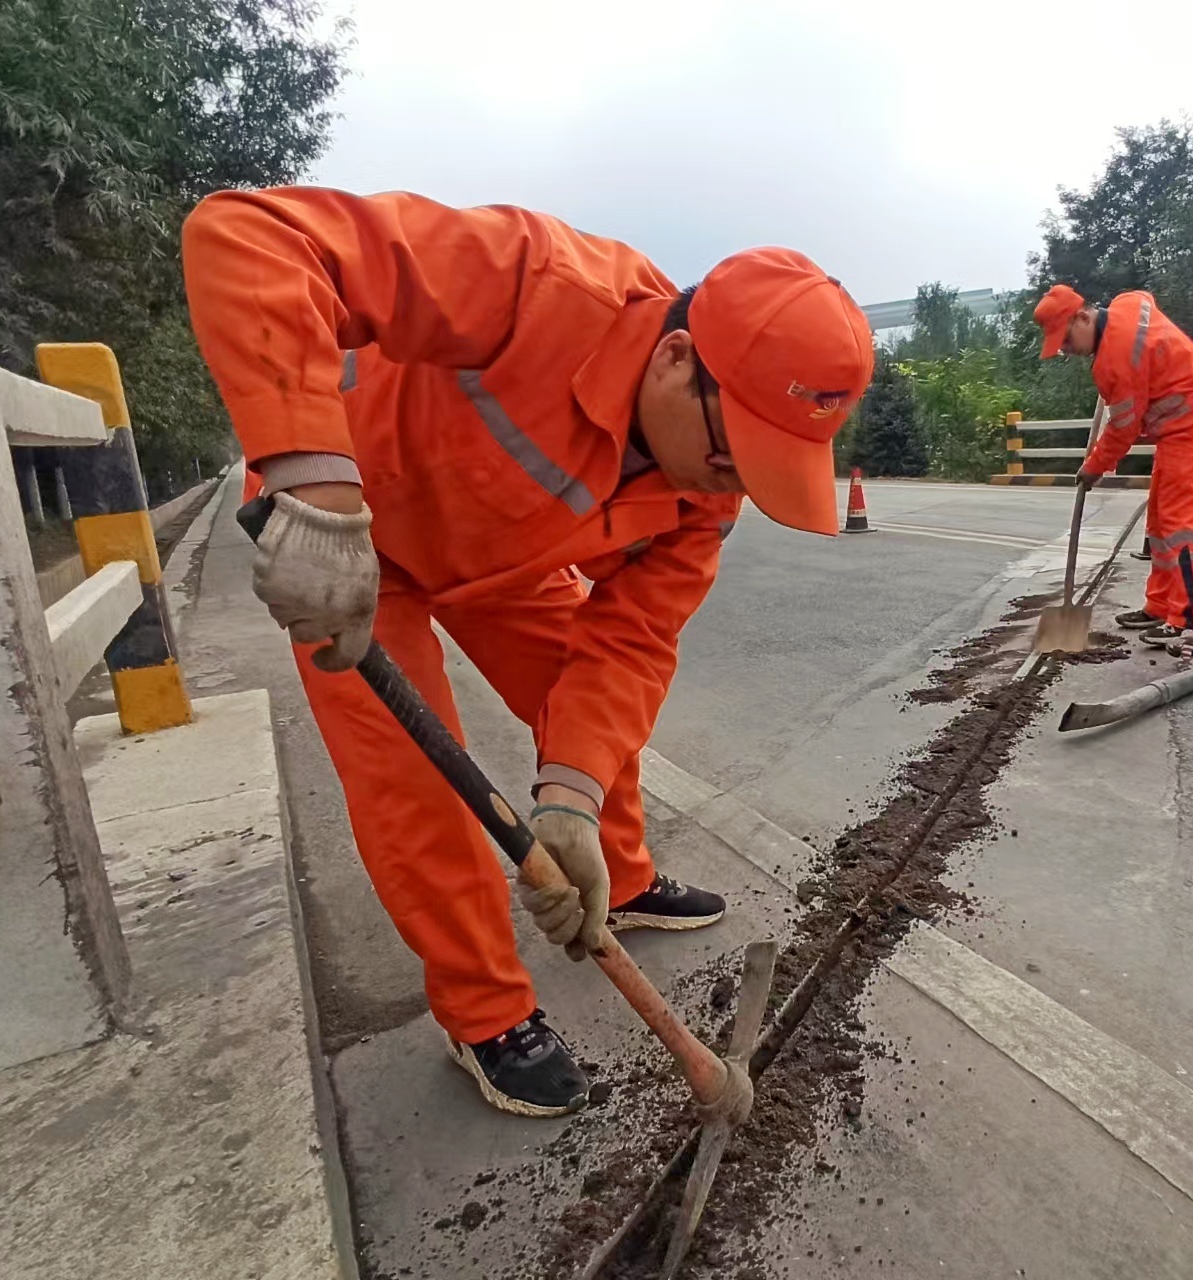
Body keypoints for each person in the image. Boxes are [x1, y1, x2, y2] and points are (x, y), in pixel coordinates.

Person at [181, 189, 873, 1117]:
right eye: (733, 453)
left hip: (511, 561)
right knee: (415, 787)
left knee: (589, 728)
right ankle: (484, 1012)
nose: (737, 485)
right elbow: (252, 234)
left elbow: (630, 644)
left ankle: (615, 875)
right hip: (355, 551)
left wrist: (567, 803)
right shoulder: (537, 283)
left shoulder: (705, 494)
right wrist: (313, 485)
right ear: (676, 360)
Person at [1033, 284, 1193, 643]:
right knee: (1159, 523)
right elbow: (1144, 297)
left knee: (1180, 525)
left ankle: (1190, 620)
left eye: (1065, 341)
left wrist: (1093, 467)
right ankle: (1159, 606)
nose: (1066, 350)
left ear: (1083, 317)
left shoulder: (1113, 363)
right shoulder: (1126, 305)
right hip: (1182, 426)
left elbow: (1123, 430)